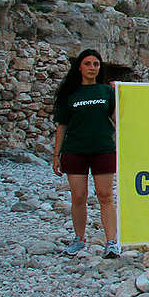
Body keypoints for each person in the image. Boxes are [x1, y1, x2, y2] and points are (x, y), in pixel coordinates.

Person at [52, 49, 120, 258]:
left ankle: (111, 242)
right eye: (88, 63)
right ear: (80, 66)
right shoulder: (69, 94)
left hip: (103, 150)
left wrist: (120, 93)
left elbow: (118, 120)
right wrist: (56, 155)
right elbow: (62, 126)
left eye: (96, 64)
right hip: (75, 151)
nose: (92, 68)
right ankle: (79, 240)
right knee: (79, 196)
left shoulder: (107, 92)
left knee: (105, 195)